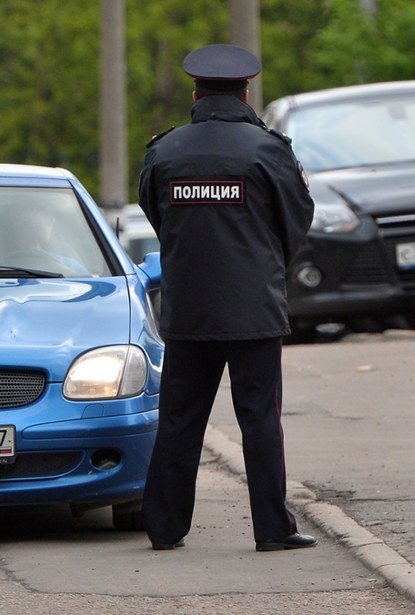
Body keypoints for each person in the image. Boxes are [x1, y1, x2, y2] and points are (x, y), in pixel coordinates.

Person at [137, 44, 317, 552]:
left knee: (178, 418)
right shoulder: (268, 150)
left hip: (188, 310)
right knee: (260, 419)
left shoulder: (165, 151)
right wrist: (257, 263)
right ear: (246, 91)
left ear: (195, 93)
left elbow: (158, 216)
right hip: (254, 311)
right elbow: (296, 222)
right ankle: (272, 529)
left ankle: (165, 527)